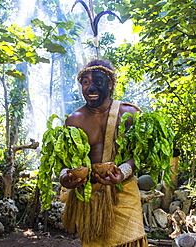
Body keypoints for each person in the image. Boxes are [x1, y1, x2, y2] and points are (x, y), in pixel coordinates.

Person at [59, 59, 148, 247]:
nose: (90, 88)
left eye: (98, 82)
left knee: (130, 242)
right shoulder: (74, 120)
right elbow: (64, 161)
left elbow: (141, 155)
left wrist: (122, 171)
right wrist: (64, 177)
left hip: (123, 195)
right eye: (85, 82)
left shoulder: (128, 113)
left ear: (110, 84)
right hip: (90, 199)